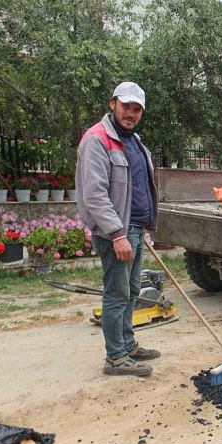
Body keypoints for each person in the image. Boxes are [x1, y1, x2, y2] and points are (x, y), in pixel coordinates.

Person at [76, 81, 160, 376]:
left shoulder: (134, 141)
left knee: (132, 290)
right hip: (116, 234)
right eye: (126, 106)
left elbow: (138, 188)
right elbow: (95, 195)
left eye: (137, 109)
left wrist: (142, 227)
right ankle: (115, 358)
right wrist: (117, 234)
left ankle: (127, 345)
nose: (131, 113)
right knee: (117, 293)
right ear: (113, 104)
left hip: (134, 229)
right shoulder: (97, 140)